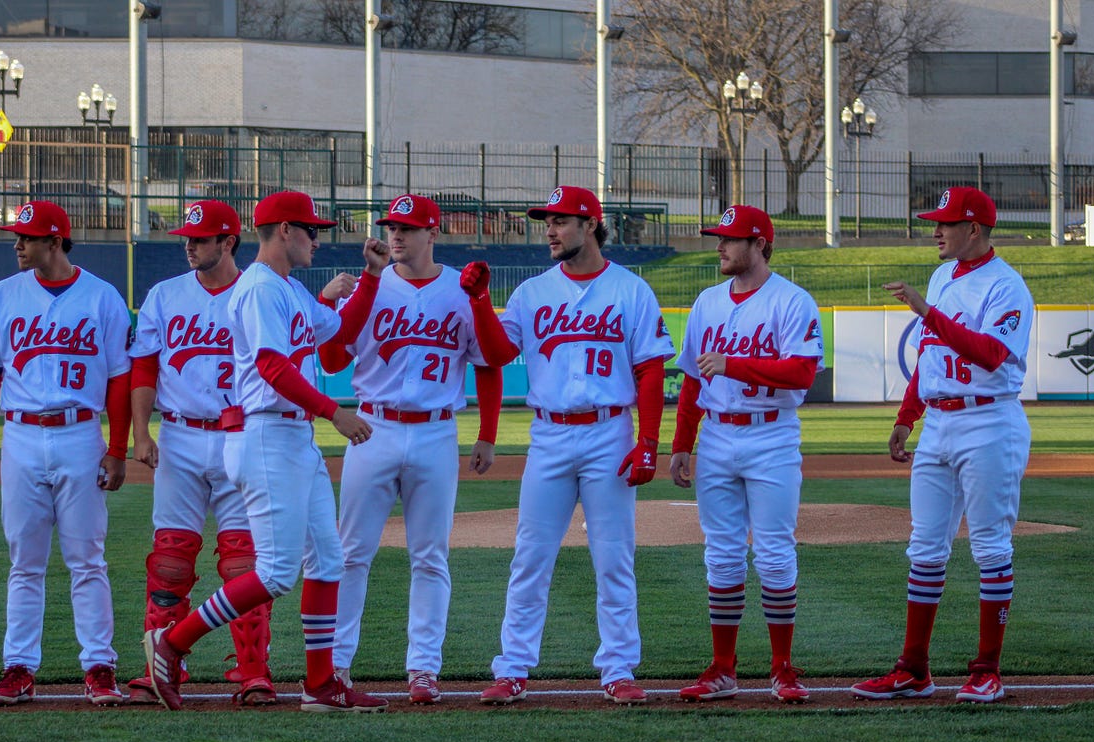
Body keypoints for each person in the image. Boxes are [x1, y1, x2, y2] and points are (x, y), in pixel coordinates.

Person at [143, 189, 391, 712]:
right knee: (277, 571)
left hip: (293, 437)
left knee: (329, 561)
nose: (317, 241)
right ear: (284, 231)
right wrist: (334, 412)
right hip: (264, 435)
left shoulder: (288, 290)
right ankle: (172, 643)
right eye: (311, 230)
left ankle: (321, 685)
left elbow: (340, 332)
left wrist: (370, 278)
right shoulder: (259, 289)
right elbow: (274, 368)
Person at [464, 185, 673, 705]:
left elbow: (650, 370)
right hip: (549, 435)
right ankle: (512, 668)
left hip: (609, 432)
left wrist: (649, 442)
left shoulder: (630, 290)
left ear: (590, 225)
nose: (550, 231)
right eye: (547, 222)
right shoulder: (533, 292)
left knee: (614, 557)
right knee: (530, 557)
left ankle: (618, 668)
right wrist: (480, 301)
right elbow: (493, 352)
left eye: (560, 221)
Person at [317, 193, 504, 704]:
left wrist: (487, 432)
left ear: (431, 234)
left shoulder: (461, 289)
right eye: (391, 227)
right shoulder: (369, 287)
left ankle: (423, 669)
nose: (395, 235)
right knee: (352, 553)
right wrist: (332, 302)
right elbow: (332, 360)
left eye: (407, 228)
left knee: (430, 557)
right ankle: (335, 665)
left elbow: (489, 361)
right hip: (372, 427)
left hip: (436, 430)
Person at [852, 186, 1034, 704]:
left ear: (973, 229)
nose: (935, 230)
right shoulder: (941, 277)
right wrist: (907, 418)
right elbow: (931, 358)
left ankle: (987, 670)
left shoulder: (1006, 287)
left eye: (945, 223)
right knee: (925, 549)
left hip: (989, 422)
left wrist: (927, 312)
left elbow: (992, 354)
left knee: (991, 547)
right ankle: (913, 669)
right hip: (940, 424)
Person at [0, 200, 133, 707]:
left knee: (87, 559)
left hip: (80, 433)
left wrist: (118, 448)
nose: (17, 244)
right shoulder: (3, 295)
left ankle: (99, 667)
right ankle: (18, 667)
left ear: (55, 241)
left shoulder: (102, 298)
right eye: (18, 236)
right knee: (25, 561)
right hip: (20, 434)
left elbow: (120, 380)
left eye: (27, 236)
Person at [668, 205, 824, 704]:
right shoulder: (707, 302)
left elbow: (801, 374)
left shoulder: (792, 301)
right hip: (715, 436)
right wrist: (681, 445)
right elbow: (692, 381)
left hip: (771, 436)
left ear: (760, 245)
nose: (720, 246)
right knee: (722, 554)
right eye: (719, 237)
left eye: (731, 239)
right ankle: (723, 668)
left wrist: (735, 364)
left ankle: (783, 667)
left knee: (775, 552)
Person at [127, 199, 278, 706]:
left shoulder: (259, 291)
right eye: (187, 238)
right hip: (181, 435)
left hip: (240, 435)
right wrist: (141, 432)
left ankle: (253, 670)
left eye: (199, 238)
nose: (189, 246)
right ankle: (161, 666)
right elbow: (144, 368)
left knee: (243, 563)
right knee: (169, 558)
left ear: (228, 242)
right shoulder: (166, 295)